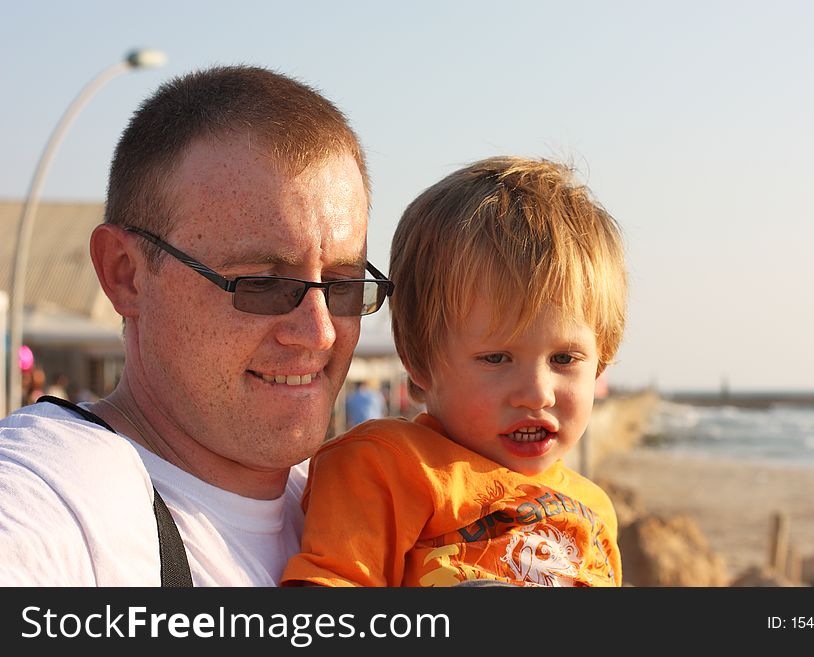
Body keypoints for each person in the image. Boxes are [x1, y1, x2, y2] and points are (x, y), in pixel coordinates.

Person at [0, 65, 392, 586]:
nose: (319, 331)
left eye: (342, 285)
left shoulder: (369, 512)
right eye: (261, 282)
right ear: (126, 275)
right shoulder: (60, 496)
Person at [281, 156, 628, 587]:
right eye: (496, 359)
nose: (537, 393)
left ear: (602, 358)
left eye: (564, 359)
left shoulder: (593, 509)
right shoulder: (387, 469)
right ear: (420, 359)